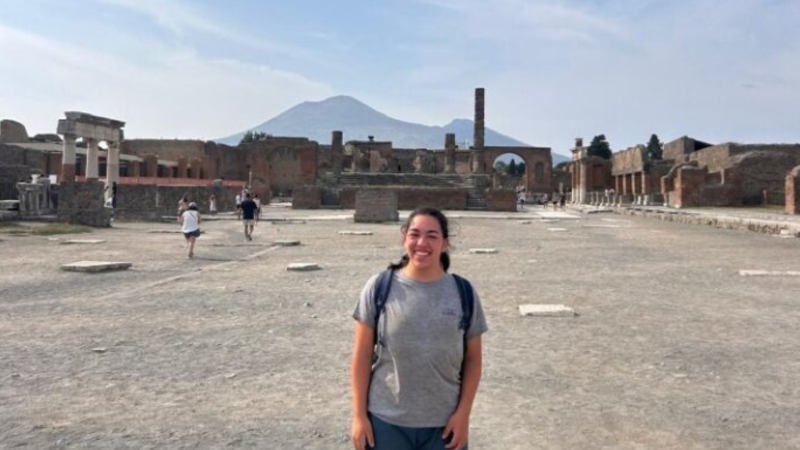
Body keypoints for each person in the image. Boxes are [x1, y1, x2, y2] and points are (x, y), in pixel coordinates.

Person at [350, 206, 488, 450]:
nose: (421, 242)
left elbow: (474, 361)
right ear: (404, 238)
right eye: (414, 234)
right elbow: (361, 356)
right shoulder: (379, 287)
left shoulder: (463, 292)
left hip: (444, 425)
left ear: (445, 243)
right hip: (386, 422)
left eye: (432, 236)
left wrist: (464, 414)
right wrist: (359, 416)